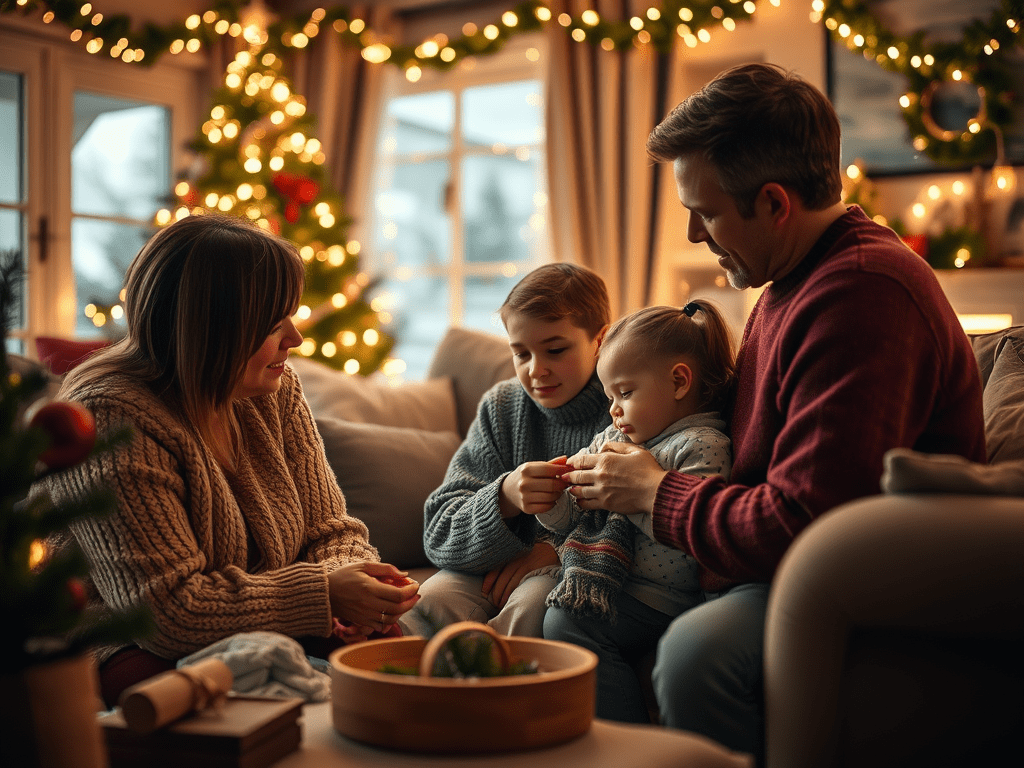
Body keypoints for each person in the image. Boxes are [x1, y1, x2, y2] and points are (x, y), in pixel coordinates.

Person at [561, 62, 987, 755]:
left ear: (775, 204)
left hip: (850, 579)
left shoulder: (860, 294)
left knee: (695, 655)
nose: (697, 235)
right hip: (767, 563)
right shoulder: (791, 280)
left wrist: (658, 492)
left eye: (705, 212)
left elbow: (804, 522)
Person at [38, 213, 420, 707]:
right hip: (125, 640)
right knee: (227, 704)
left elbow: (331, 528)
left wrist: (355, 589)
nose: (296, 339)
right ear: (213, 327)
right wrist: (325, 593)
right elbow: (167, 614)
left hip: (265, 616)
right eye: (272, 324)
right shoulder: (110, 415)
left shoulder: (270, 389)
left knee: (394, 653)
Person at [540, 300, 734, 723]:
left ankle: (629, 742)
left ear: (679, 381)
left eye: (625, 393)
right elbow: (573, 515)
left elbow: (691, 549)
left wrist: (626, 498)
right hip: (619, 582)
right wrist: (551, 500)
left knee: (566, 623)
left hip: (662, 599)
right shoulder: (613, 435)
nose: (614, 409)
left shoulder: (701, 445)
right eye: (610, 396)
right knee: (552, 614)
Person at [401, 263, 612, 638]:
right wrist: (504, 497)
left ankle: (500, 697)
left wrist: (555, 550)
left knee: (533, 608)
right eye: (521, 354)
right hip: (490, 567)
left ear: (600, 340)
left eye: (555, 349)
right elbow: (439, 533)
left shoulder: (624, 408)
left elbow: (637, 521)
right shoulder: (503, 407)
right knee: (430, 601)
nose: (536, 370)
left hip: (575, 569)